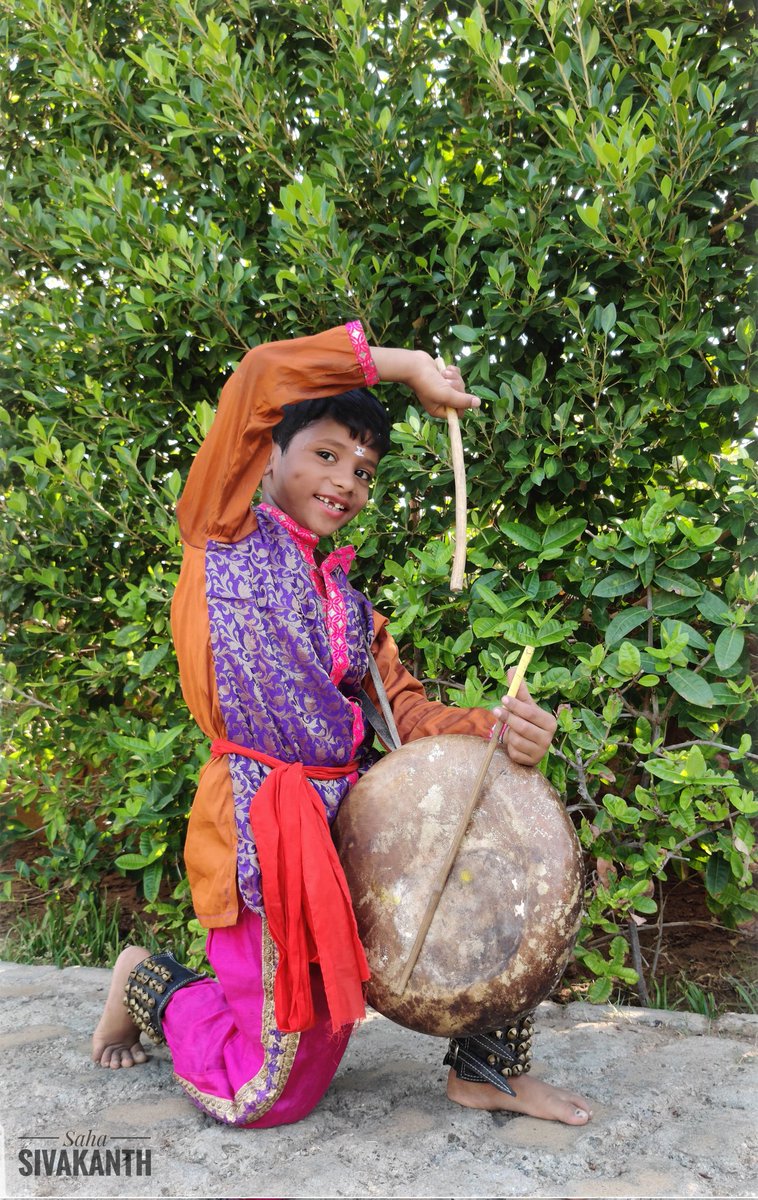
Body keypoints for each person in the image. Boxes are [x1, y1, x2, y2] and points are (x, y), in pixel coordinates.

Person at [92, 322, 592, 1128]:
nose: (347, 480)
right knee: (265, 1095)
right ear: (268, 458)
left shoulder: (352, 613)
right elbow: (259, 376)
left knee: (494, 815)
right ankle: (149, 982)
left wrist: (500, 730)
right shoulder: (221, 535)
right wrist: (404, 369)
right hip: (265, 830)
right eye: (326, 454)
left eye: (363, 469)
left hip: (349, 828)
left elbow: (410, 717)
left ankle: (484, 1069)